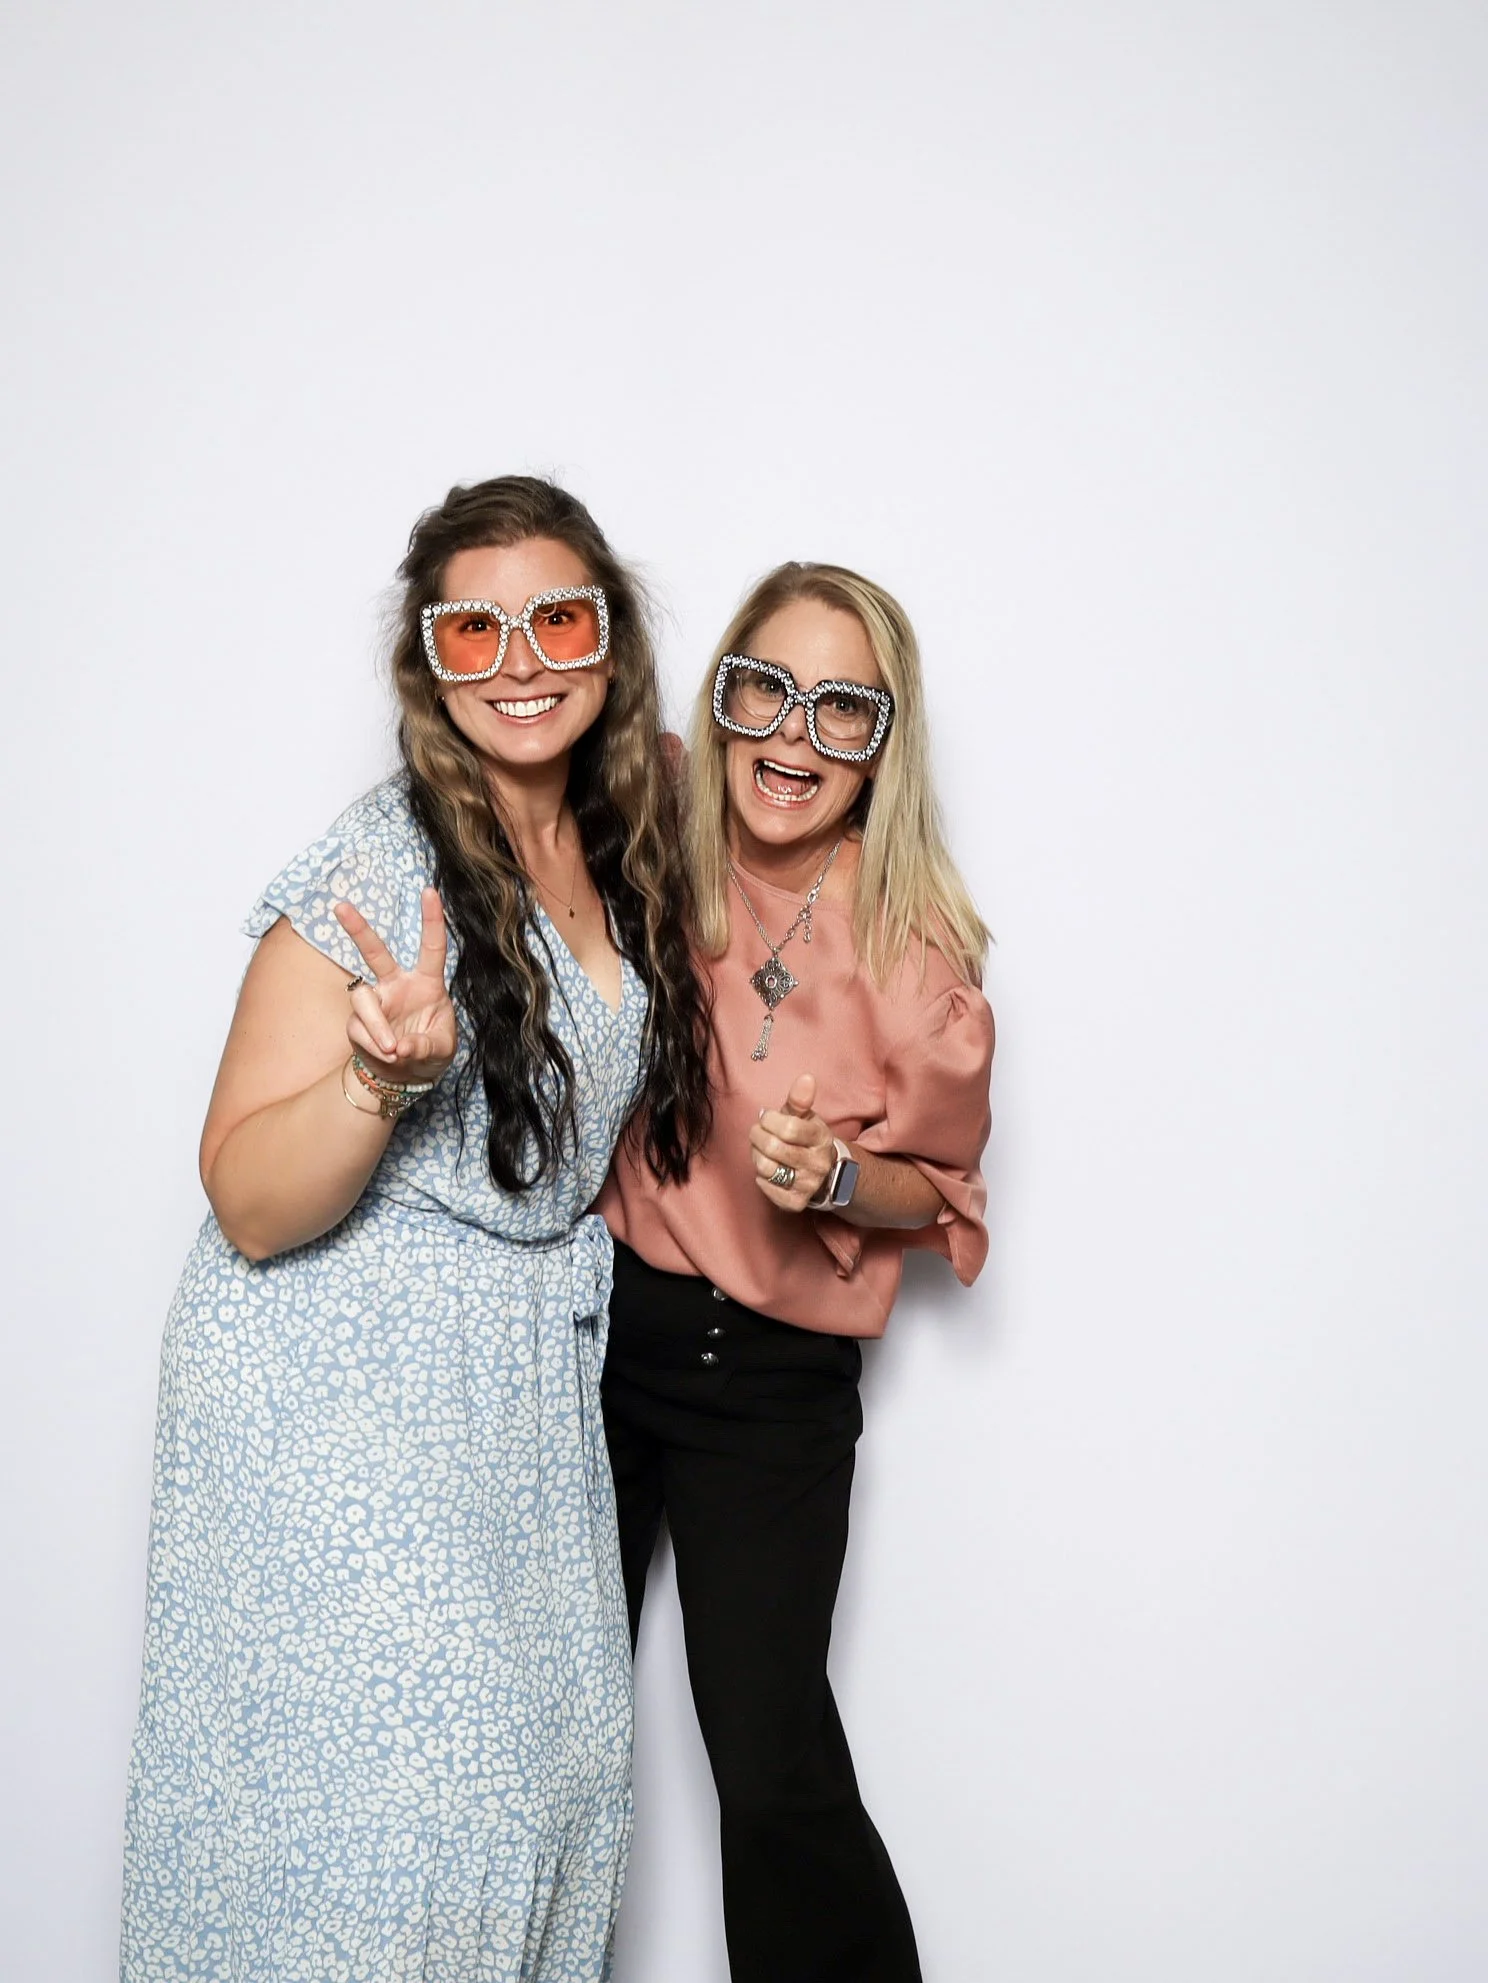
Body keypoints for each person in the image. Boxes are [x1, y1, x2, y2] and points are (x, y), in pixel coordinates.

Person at [121, 477, 711, 1982]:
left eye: (558, 615)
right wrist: (383, 1077)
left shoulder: (623, 831)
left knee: (549, 1795)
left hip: (513, 1393)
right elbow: (248, 1198)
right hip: (341, 1388)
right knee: (404, 1825)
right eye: (476, 626)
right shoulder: (377, 865)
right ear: (431, 661)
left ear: (609, 640)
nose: (521, 656)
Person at [599, 561, 994, 1983]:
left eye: (843, 709)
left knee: (766, 1751)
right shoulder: (648, 820)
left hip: (765, 1381)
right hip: (588, 1336)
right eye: (765, 688)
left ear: (886, 741)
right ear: (721, 696)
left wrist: (836, 1175)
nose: (794, 737)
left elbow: (940, 1191)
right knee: (529, 1721)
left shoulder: (910, 950)